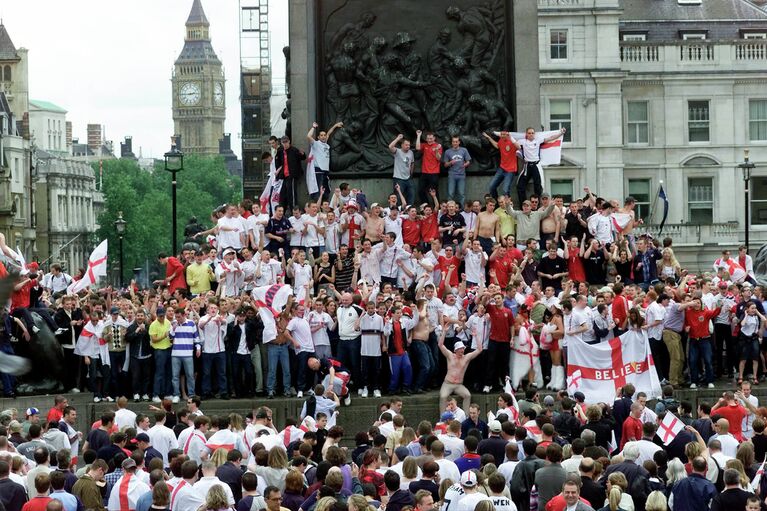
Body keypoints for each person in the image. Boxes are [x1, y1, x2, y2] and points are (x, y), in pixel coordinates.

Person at [517, 127, 565, 204]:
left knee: (538, 186)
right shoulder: (522, 141)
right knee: (520, 186)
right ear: (526, 134)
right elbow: (512, 142)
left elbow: (550, 138)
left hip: (536, 165)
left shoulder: (538, 140)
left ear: (534, 134)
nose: (531, 134)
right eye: (529, 133)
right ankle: (524, 204)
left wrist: (560, 133)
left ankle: (537, 205)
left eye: (532, 133)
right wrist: (506, 136)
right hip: (527, 166)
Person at [443, 136, 471, 206]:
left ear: (459, 142)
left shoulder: (464, 150)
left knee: (461, 194)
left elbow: (468, 161)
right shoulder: (447, 152)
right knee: (450, 193)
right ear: (451, 142)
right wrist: (450, 163)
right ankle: (449, 208)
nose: (455, 143)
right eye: (453, 142)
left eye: (456, 142)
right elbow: (445, 165)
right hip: (452, 175)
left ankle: (461, 209)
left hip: (461, 175)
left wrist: (465, 164)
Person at [388, 134, 415, 207]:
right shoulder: (397, 151)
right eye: (406, 145)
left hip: (408, 178)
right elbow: (390, 146)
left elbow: (412, 163)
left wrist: (411, 173)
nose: (408, 146)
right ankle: (399, 210)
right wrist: (398, 138)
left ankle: (410, 210)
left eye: (409, 145)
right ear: (402, 145)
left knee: (411, 194)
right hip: (398, 178)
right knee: (398, 197)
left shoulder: (411, 152)